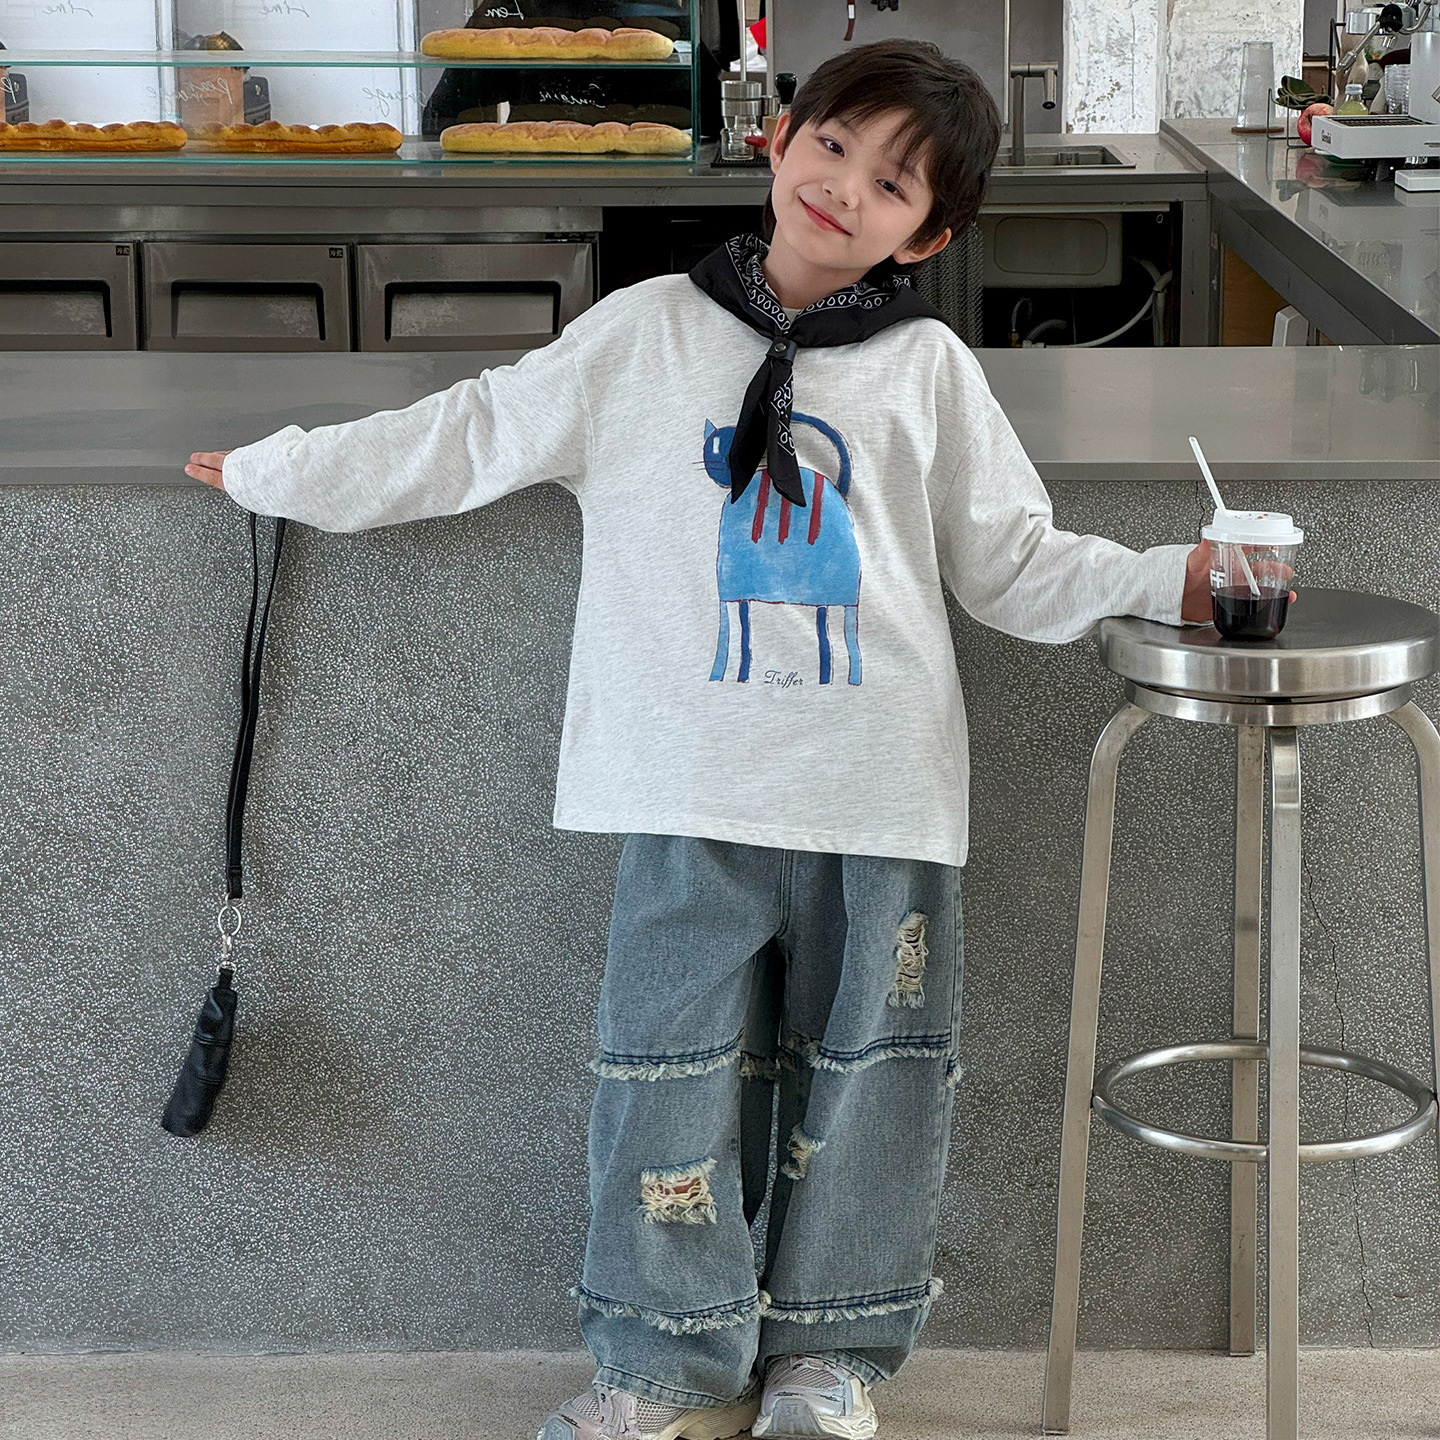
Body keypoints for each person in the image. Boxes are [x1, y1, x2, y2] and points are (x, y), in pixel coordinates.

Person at [187, 38, 1236, 1440]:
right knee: (661, 1082)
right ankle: (660, 1364)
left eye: (893, 183)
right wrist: (284, 469)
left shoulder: (927, 368)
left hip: (878, 793)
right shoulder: (642, 334)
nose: (846, 188)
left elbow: (1011, 564)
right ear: (780, 137)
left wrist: (1170, 578)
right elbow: (472, 434)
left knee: (874, 1083)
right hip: (685, 785)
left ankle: (830, 1357)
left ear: (929, 233)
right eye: (835, 146)